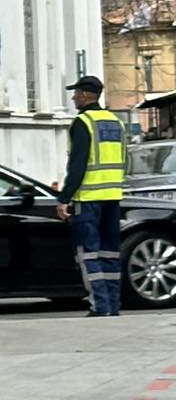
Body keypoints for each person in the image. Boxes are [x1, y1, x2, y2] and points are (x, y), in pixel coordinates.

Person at [57, 75, 126, 318]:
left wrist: (64, 197)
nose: (74, 97)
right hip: (113, 197)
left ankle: (100, 306)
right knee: (110, 253)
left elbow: (77, 165)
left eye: (76, 93)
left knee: (89, 254)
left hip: (88, 199)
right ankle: (113, 306)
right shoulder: (116, 122)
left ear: (86, 95)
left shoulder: (83, 122)